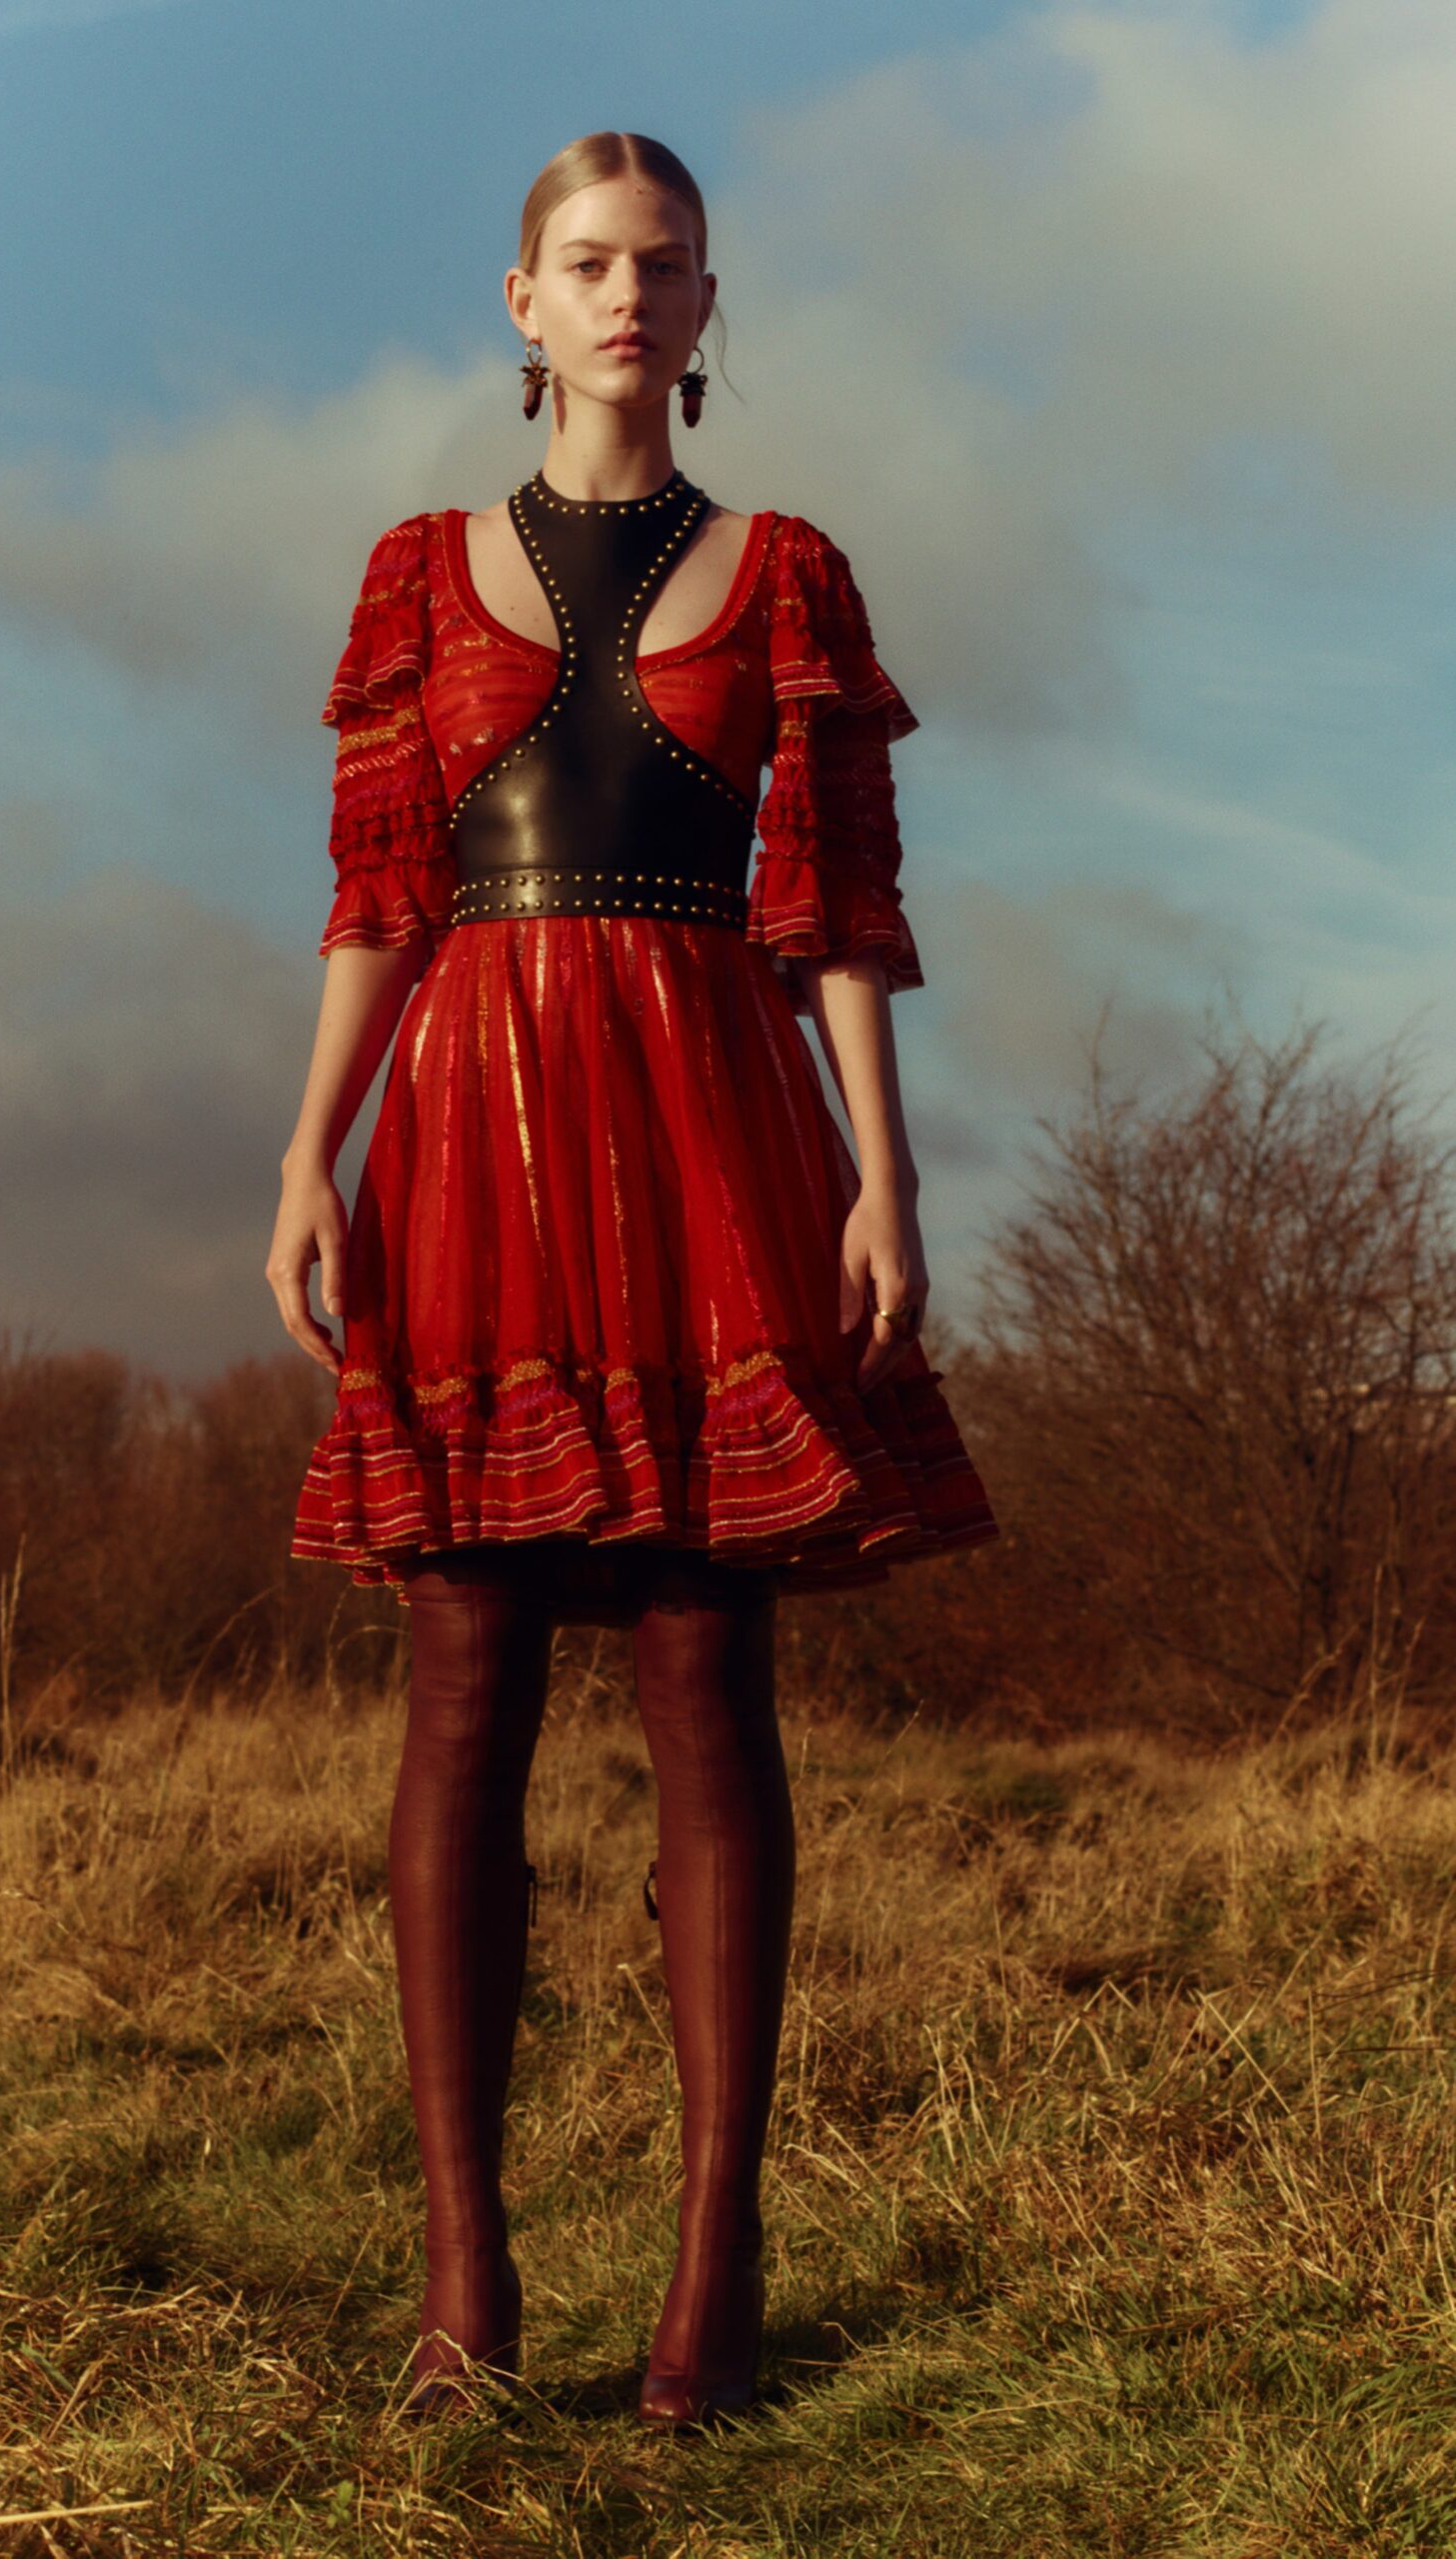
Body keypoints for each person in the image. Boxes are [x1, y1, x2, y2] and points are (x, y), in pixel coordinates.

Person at [267, 130, 998, 2428]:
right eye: (582, 265)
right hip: (469, 1130)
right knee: (461, 1682)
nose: (621, 298)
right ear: (517, 299)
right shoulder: (411, 576)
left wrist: (883, 1180)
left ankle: (713, 2271)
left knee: (709, 1677)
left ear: (704, 304)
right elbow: (382, 891)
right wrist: (309, 1144)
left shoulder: (788, 572)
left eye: (658, 267)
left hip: (711, 1130)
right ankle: (462, 2280)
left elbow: (841, 918)